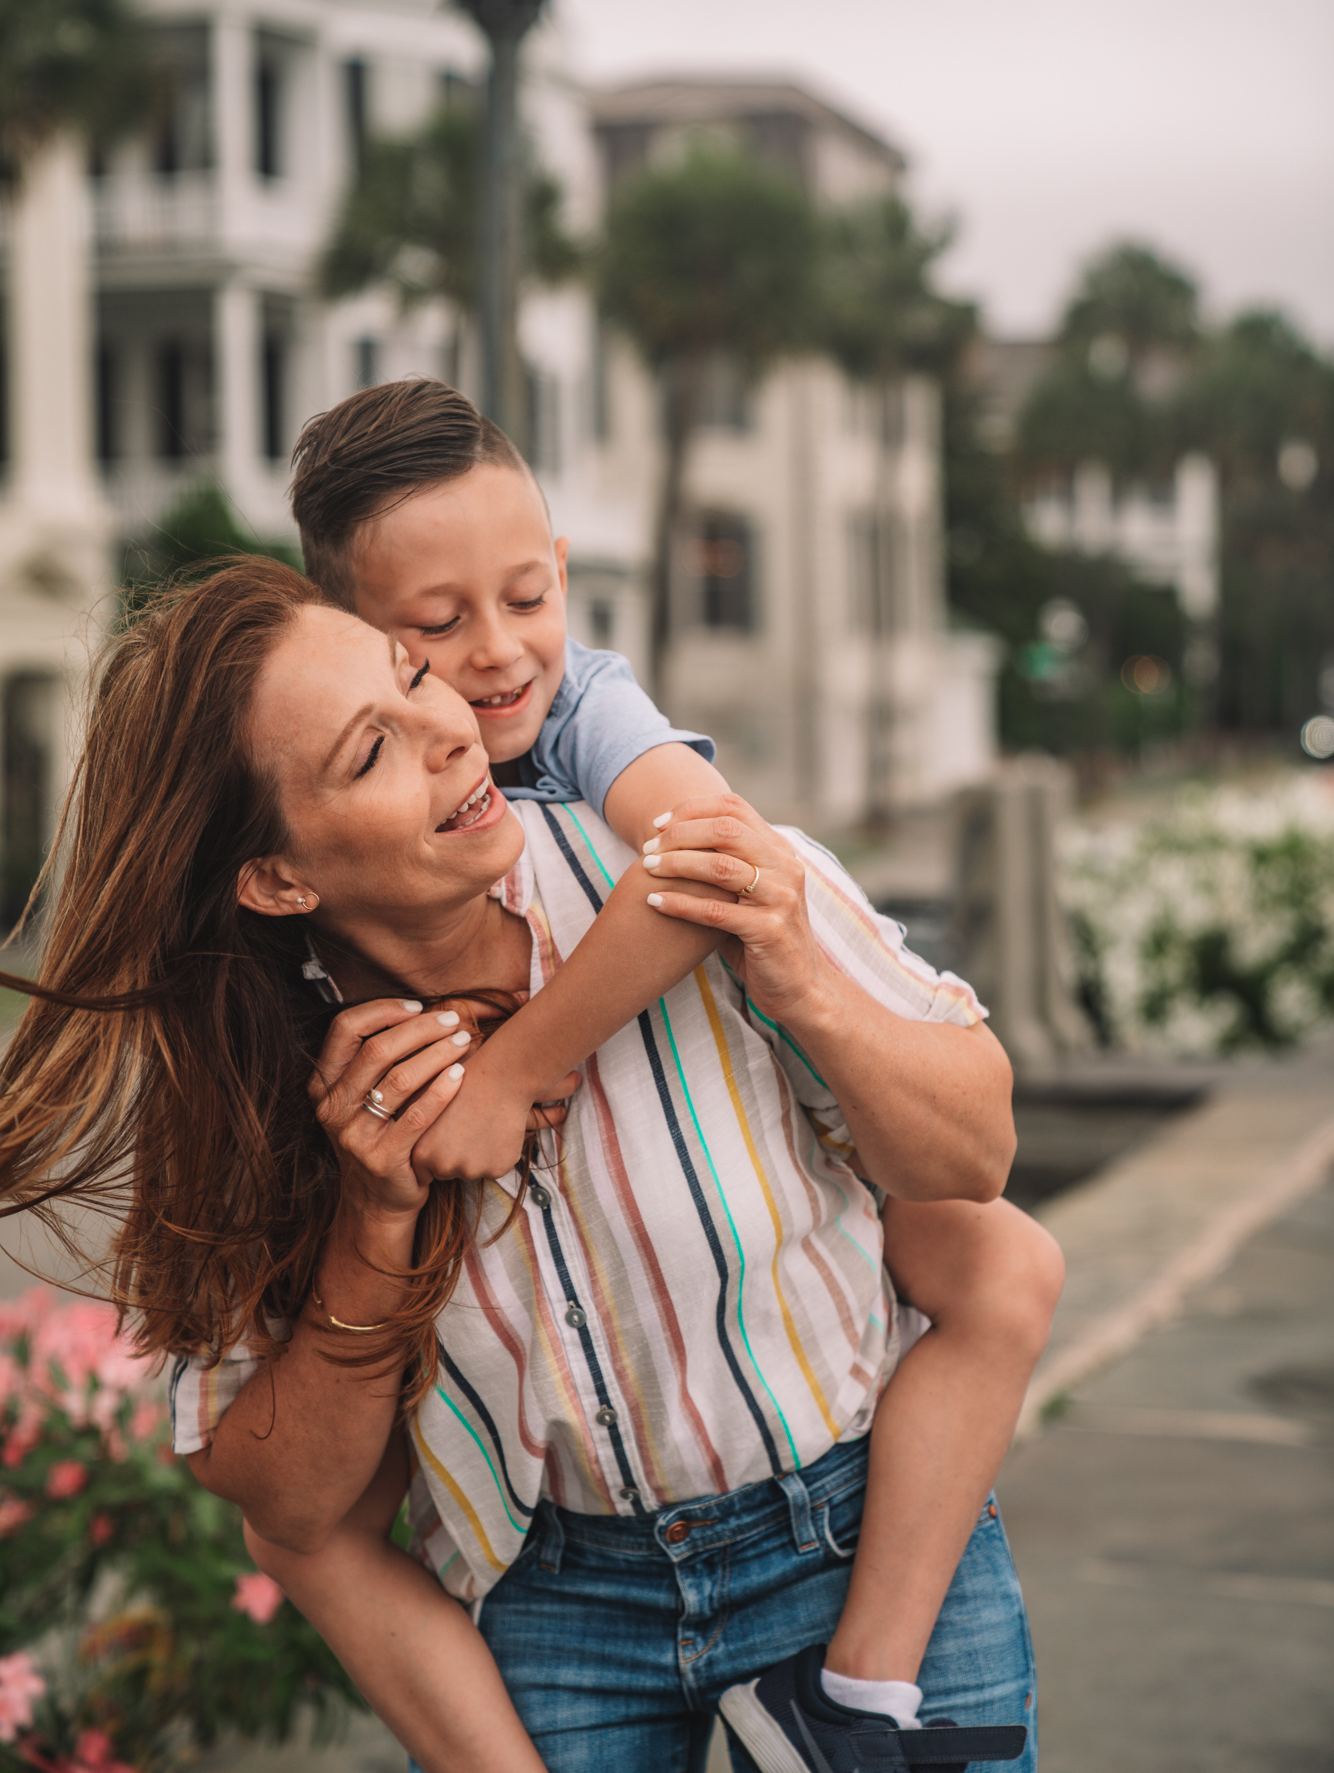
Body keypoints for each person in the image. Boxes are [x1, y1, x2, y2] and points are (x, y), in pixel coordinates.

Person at [0, 561, 1036, 1773]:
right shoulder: (247, 1080)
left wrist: (799, 974)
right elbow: (285, 1505)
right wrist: (374, 1220)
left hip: (859, 1533)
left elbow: (975, 1153)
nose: (448, 729)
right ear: (278, 878)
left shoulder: (679, 868)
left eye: (413, 676)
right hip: (556, 1602)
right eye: (368, 752)